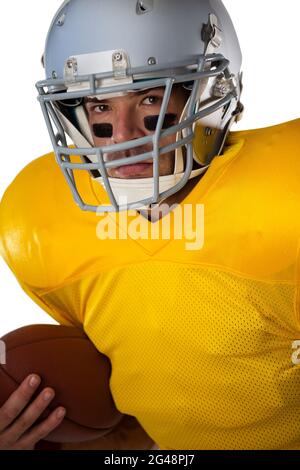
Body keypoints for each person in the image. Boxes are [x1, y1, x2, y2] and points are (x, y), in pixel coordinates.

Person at [0, 0, 299, 451]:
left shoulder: (287, 184)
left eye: (150, 99)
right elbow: (139, 401)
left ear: (211, 94)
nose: (122, 138)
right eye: (99, 106)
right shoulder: (37, 217)